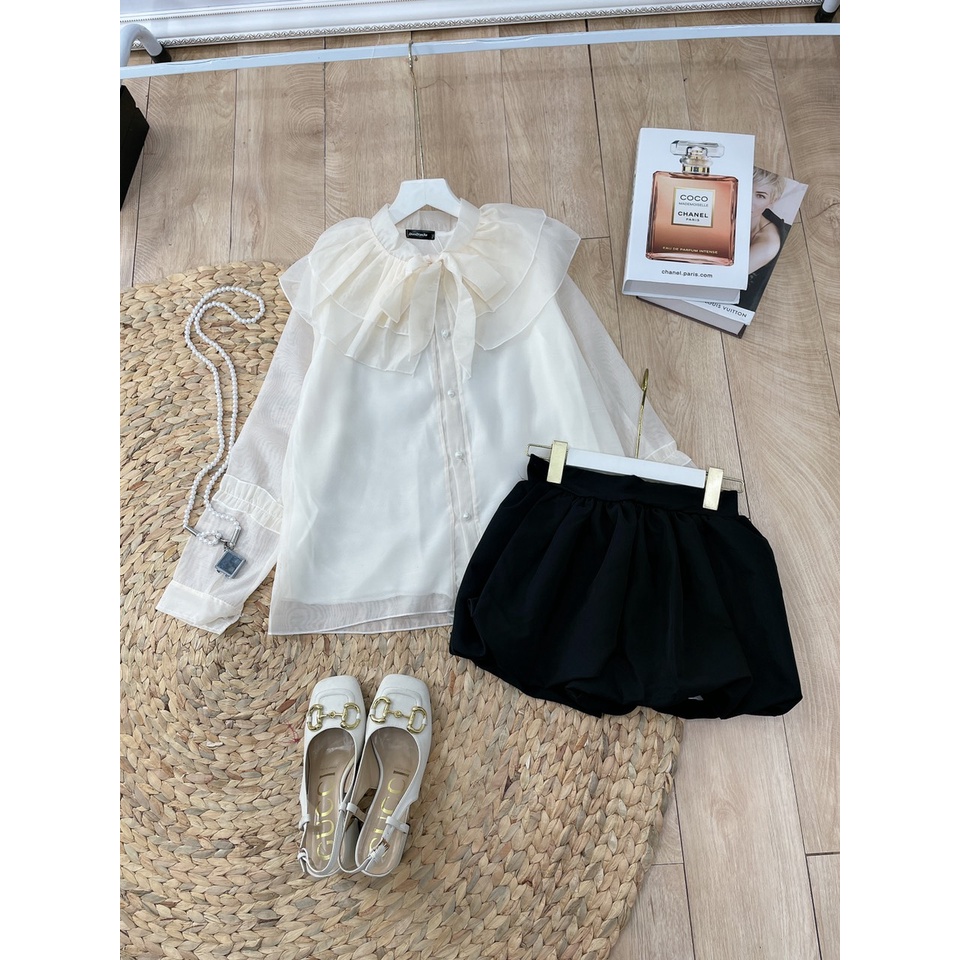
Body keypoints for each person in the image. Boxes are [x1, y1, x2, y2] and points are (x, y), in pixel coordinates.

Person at [738, 168, 788, 313]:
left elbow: (727, 279)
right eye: (745, 188)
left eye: (760, 196)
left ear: (772, 201)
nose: (748, 200)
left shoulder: (768, 242)